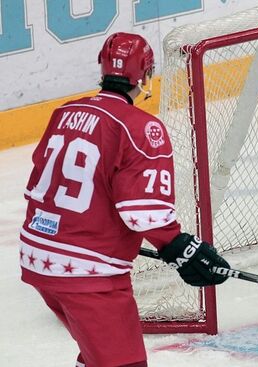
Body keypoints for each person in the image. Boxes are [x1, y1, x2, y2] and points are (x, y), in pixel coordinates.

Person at [19, 32, 230, 367]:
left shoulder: (64, 112)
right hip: (87, 274)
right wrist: (182, 248)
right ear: (145, 76)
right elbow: (143, 211)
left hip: (37, 257)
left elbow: (42, 184)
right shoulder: (141, 127)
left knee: (97, 356)